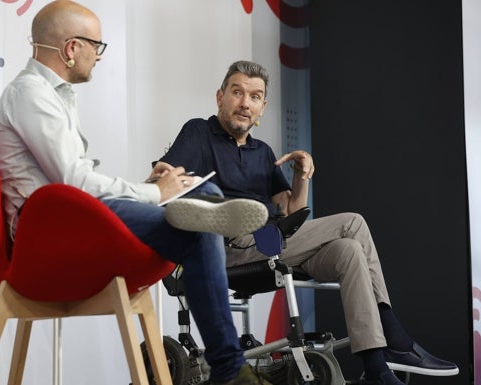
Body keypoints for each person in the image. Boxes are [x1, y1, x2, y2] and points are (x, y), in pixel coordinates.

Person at [0, 2, 275, 385]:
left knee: (197, 209)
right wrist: (152, 193)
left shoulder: (50, 95)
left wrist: (155, 189)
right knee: (193, 220)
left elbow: (73, 182)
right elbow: (74, 181)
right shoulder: (31, 94)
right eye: (97, 46)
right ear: (72, 48)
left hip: (70, 217)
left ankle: (203, 200)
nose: (99, 56)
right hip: (49, 233)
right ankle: (229, 369)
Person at [151, 60, 459, 385]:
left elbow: (291, 212)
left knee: (349, 250)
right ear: (220, 97)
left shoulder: (262, 152)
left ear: (263, 107)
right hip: (228, 249)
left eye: (255, 96)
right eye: (237, 92)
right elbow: (164, 176)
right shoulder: (200, 131)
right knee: (352, 222)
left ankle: (376, 368)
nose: (245, 102)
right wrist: (163, 177)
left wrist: (301, 176)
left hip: (271, 246)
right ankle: (396, 339)